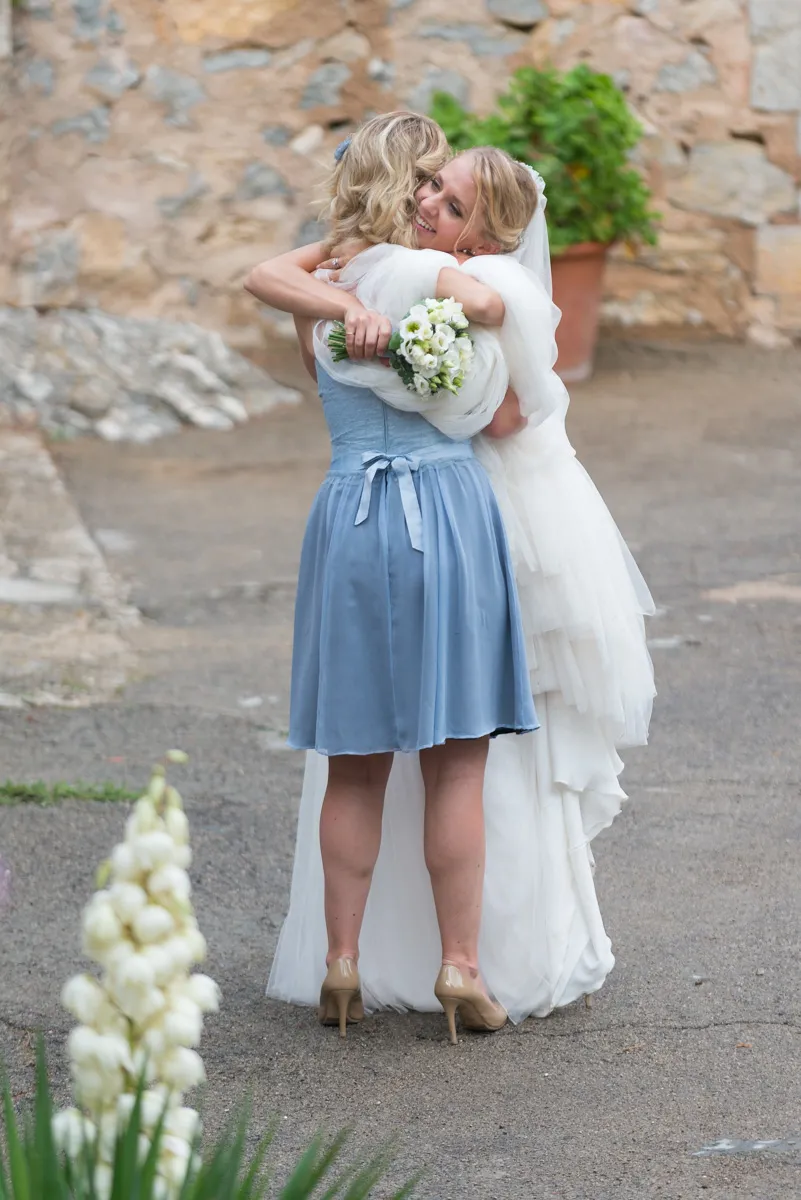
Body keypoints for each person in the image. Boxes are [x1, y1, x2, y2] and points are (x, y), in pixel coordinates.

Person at [247, 123, 655, 1032]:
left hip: (348, 516)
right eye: (427, 183)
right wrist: (425, 326)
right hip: (446, 520)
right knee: (455, 766)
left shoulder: (329, 292)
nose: (432, 198)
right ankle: (460, 968)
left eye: (449, 194)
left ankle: (342, 963)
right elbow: (500, 385)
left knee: (352, 765)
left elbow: (272, 287)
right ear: (406, 191)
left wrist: (353, 283)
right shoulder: (429, 276)